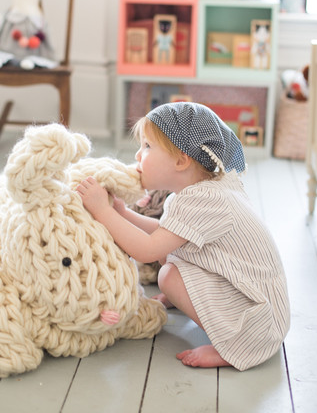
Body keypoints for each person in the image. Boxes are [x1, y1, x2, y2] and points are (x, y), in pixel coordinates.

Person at [76, 102, 290, 371]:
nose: (139, 155)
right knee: (172, 257)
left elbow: (147, 250)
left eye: (147, 147)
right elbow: (164, 235)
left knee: (168, 275)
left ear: (181, 160)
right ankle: (189, 299)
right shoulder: (203, 190)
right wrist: (121, 213)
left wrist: (102, 211)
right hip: (253, 295)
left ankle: (232, 346)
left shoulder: (204, 199)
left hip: (256, 326)